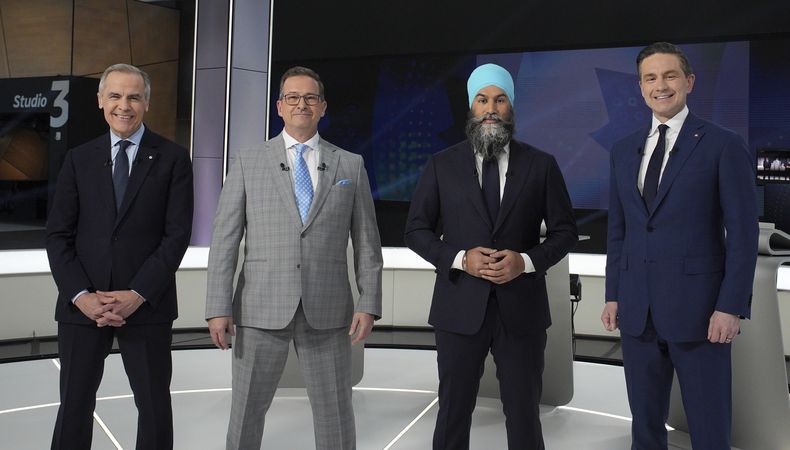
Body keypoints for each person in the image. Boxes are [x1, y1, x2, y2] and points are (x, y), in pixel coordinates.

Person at [205, 66, 383, 450]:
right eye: (292, 97)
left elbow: (368, 243)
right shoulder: (248, 161)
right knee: (246, 412)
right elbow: (225, 240)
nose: (301, 104)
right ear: (279, 107)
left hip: (329, 309)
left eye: (310, 98)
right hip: (258, 309)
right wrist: (217, 306)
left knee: (336, 413)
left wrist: (369, 302)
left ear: (323, 107)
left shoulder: (349, 164)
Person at [404, 63, 578, 449]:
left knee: (523, 412)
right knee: (453, 409)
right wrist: (460, 258)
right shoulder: (441, 164)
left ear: (511, 108)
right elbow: (416, 231)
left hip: (522, 311)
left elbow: (566, 232)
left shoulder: (541, 164)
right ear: (471, 107)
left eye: (500, 100)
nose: (491, 108)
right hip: (458, 307)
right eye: (482, 100)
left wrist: (527, 261)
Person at [601, 42, 758, 449]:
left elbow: (743, 235)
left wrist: (730, 305)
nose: (661, 85)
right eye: (650, 78)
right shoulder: (622, 151)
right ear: (640, 87)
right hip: (637, 313)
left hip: (701, 314)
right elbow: (619, 232)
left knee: (709, 429)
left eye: (670, 75)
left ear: (688, 81)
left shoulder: (723, 145)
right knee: (645, 428)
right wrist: (613, 294)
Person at [46, 63, 194, 450]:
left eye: (133, 96)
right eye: (114, 95)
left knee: (154, 408)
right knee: (74, 406)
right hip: (82, 308)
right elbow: (58, 235)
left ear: (146, 102)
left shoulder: (174, 158)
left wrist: (137, 294)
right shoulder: (78, 159)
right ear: (100, 101)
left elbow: (176, 236)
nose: (123, 105)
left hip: (146, 306)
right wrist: (82, 296)